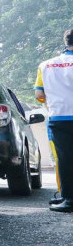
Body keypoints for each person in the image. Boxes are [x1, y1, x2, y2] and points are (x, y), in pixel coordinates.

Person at [35, 29, 73, 213]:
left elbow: (39, 94)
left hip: (60, 117)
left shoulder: (46, 65)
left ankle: (69, 199)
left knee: (65, 159)